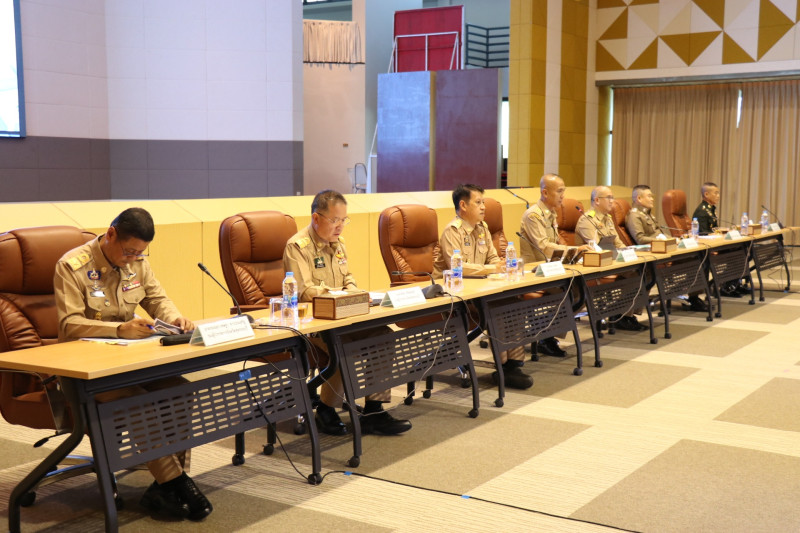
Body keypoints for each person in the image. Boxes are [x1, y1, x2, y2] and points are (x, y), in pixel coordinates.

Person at [54, 208, 212, 521]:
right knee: (137, 401)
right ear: (111, 234)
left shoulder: (137, 261)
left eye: (140, 253)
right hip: (85, 371)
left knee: (180, 390)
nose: (133, 259)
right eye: (129, 251)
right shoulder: (72, 266)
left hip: (128, 363)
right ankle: (177, 482)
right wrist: (118, 329)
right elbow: (69, 323)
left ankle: (162, 486)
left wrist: (175, 318)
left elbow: (157, 299)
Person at [283, 190, 412, 436]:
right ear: (316, 218)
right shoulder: (297, 246)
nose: (340, 226)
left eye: (344, 220)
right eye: (335, 220)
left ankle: (374, 411)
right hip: (314, 326)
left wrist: (355, 292)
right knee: (343, 347)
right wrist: (341, 294)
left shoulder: (338, 243)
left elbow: (348, 278)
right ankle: (326, 409)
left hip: (344, 318)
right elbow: (303, 291)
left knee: (384, 336)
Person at [433, 184, 532, 389]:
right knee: (498, 309)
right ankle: (502, 367)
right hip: (454, 295)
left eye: (483, 202)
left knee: (513, 303)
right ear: (463, 205)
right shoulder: (452, 231)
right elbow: (457, 267)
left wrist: (501, 265)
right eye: (478, 202)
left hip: (480, 290)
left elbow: (492, 258)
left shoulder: (483, 228)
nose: (483, 207)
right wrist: (492, 268)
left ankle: (514, 364)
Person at [519, 173, 592, 357]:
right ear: (545, 192)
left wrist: (574, 254)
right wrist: (574, 249)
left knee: (580, 290)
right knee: (568, 292)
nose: (562, 196)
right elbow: (544, 246)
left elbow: (556, 244)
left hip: (551, 268)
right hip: (534, 272)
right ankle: (545, 336)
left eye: (563, 191)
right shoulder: (533, 215)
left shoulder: (551, 213)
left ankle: (546, 332)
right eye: (559, 191)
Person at [575, 186, 646, 331]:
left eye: (612, 197)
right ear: (597, 200)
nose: (612, 201)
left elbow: (617, 243)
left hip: (611, 262)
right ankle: (621, 315)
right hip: (594, 267)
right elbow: (596, 249)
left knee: (642, 271)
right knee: (634, 275)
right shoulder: (587, 220)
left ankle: (622, 314)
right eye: (609, 198)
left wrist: (629, 253)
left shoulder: (607, 218)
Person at [627, 185, 708, 312]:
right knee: (691, 260)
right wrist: (662, 241)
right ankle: (682, 294)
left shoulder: (648, 214)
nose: (652, 199)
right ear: (639, 198)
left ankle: (693, 296)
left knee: (694, 259)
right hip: (654, 254)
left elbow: (660, 233)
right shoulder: (634, 216)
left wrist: (673, 239)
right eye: (649, 196)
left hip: (663, 249)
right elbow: (640, 239)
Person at [692, 182, 747, 297]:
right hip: (707, 248)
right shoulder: (702, 211)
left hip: (715, 243)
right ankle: (726, 286)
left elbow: (714, 229)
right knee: (735, 252)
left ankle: (732, 284)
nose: (718, 196)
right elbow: (702, 233)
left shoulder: (710, 209)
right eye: (715, 193)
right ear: (706, 194)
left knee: (740, 250)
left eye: (718, 193)